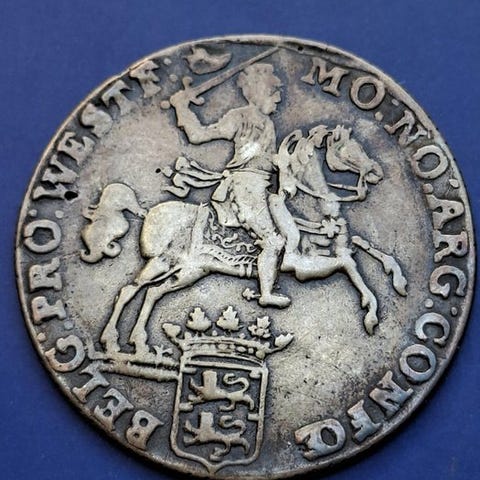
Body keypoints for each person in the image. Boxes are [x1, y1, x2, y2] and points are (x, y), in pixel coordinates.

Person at [169, 63, 290, 308]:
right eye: (273, 92)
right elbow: (198, 135)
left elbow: (267, 157)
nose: (278, 98)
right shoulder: (239, 117)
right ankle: (266, 293)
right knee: (273, 241)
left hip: (263, 185)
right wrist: (181, 107)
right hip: (245, 185)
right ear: (258, 90)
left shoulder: (268, 122)